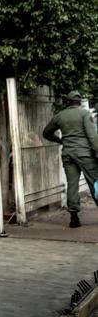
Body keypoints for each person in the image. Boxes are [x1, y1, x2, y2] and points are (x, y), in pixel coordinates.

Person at [41, 91, 98, 227]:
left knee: (72, 185)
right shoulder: (84, 114)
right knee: (95, 183)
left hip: (68, 154)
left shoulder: (60, 116)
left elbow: (46, 133)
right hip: (85, 154)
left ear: (68, 102)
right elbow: (92, 136)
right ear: (79, 102)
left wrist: (60, 140)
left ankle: (74, 217)